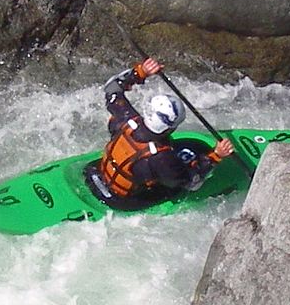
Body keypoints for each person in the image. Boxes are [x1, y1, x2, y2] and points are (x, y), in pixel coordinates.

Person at [83, 57, 234, 210]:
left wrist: (140, 72)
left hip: (96, 173)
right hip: (120, 199)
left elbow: (112, 89)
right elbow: (192, 182)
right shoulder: (162, 158)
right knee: (174, 187)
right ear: (169, 129)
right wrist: (216, 156)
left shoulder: (126, 119)